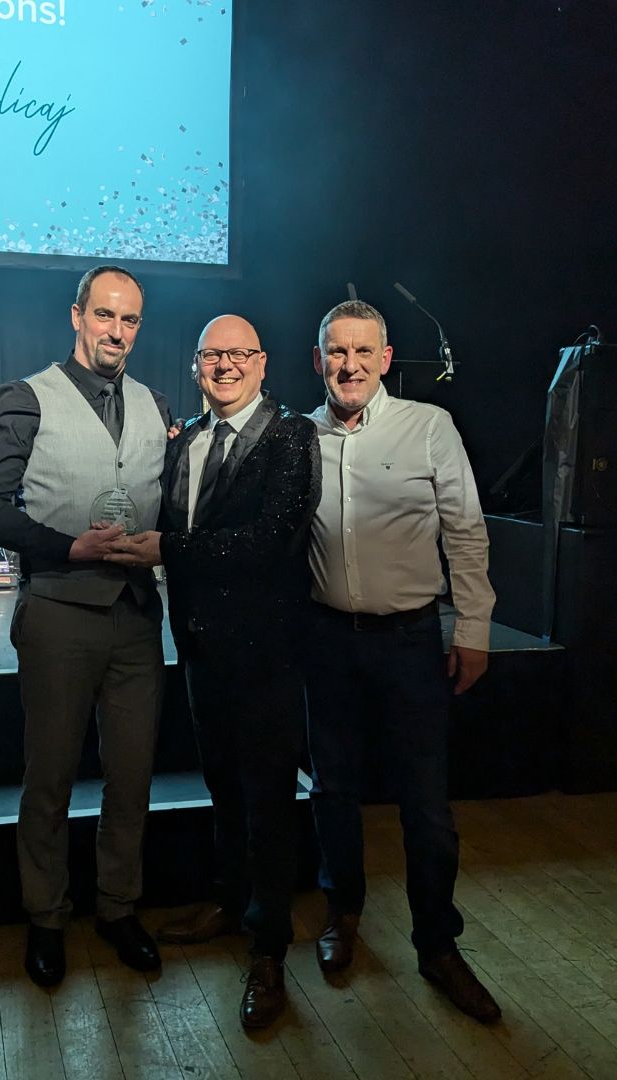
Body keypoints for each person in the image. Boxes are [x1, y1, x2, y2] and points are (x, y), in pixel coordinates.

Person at [106, 315, 321, 1029]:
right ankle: (233, 904)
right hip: (198, 646)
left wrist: (165, 546)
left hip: (266, 654)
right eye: (211, 355)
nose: (224, 365)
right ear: (196, 365)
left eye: (238, 355)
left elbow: (268, 541)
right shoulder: (187, 439)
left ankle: (269, 948)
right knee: (223, 787)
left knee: (267, 801)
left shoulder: (292, 436)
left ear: (263, 364)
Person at [0, 265, 170, 988]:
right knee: (50, 778)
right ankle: (46, 917)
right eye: (106, 315)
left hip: (138, 618)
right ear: (77, 316)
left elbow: (167, 501)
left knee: (132, 777)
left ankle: (118, 907)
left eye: (131, 320)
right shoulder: (26, 398)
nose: (118, 331)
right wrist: (64, 545)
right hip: (58, 612)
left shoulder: (154, 402)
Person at [306, 299, 501, 1022]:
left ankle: (437, 946)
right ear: (318, 359)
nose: (348, 365)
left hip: (410, 642)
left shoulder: (429, 427)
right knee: (333, 791)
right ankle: (343, 915)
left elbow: (467, 532)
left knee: (427, 806)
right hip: (325, 639)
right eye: (335, 351)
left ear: (385, 359)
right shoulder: (300, 437)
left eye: (362, 351)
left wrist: (473, 627)